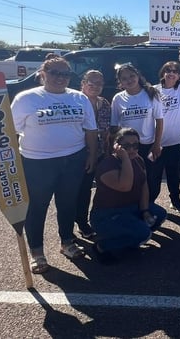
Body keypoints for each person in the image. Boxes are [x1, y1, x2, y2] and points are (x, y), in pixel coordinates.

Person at [10, 57, 98, 274]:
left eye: (65, 74)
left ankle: (67, 242)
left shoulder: (79, 98)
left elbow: (91, 130)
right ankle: (37, 252)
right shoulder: (26, 98)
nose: (60, 78)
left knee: (68, 204)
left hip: (73, 159)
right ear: (43, 73)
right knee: (37, 207)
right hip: (37, 162)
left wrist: (92, 155)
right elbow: (8, 131)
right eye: (55, 73)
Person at [90, 127, 167, 262]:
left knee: (159, 214)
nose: (132, 149)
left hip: (131, 208)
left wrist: (144, 211)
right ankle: (102, 246)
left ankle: (131, 238)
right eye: (126, 146)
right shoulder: (107, 165)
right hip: (107, 215)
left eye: (135, 145)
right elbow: (125, 186)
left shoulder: (138, 160)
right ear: (117, 146)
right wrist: (125, 158)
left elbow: (144, 186)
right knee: (143, 233)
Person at [110, 63, 164, 203]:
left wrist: (157, 144)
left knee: (152, 179)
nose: (129, 80)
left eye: (132, 76)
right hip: (128, 147)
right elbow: (115, 126)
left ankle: (149, 205)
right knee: (132, 178)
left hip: (148, 144)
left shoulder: (151, 93)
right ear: (120, 82)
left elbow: (159, 121)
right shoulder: (118, 98)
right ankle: (135, 207)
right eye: (124, 78)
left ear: (138, 76)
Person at [154, 53, 180, 215]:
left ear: (179, 76)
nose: (171, 73)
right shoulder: (154, 90)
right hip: (157, 141)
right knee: (154, 175)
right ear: (163, 73)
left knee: (173, 174)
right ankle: (150, 203)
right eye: (168, 70)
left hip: (176, 142)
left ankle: (175, 200)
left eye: (175, 71)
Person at [75, 70, 112, 239]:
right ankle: (74, 224)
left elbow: (106, 131)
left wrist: (106, 152)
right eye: (91, 82)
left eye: (99, 83)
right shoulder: (75, 101)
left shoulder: (104, 103)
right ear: (83, 83)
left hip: (98, 153)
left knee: (90, 190)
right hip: (77, 153)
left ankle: (88, 221)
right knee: (74, 191)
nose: (95, 86)